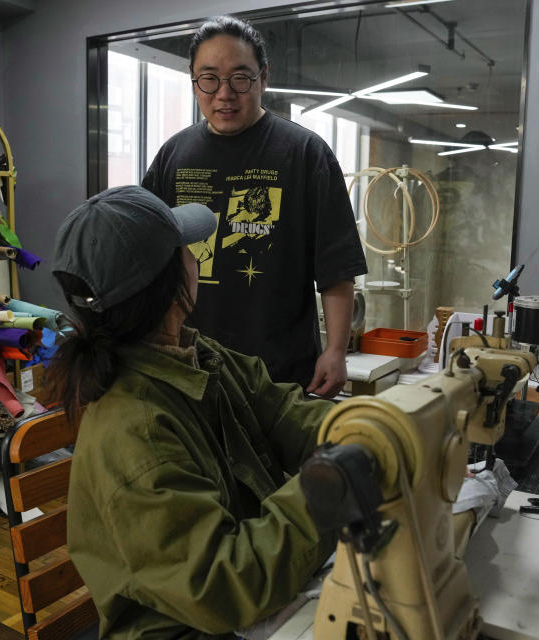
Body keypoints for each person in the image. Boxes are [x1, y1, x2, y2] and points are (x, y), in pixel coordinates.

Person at [47, 185, 336, 640]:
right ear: (168, 283)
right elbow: (220, 587)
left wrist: (365, 429)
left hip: (239, 604)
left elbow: (285, 415)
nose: (196, 256)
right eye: (186, 248)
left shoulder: (197, 357)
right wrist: (330, 487)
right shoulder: (137, 432)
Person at [142, 15, 367, 399]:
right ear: (194, 81)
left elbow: (336, 267)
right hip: (190, 367)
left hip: (279, 372)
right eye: (209, 78)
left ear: (264, 76)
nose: (224, 94)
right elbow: (147, 258)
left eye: (240, 78)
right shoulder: (173, 156)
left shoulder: (305, 154)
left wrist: (335, 350)